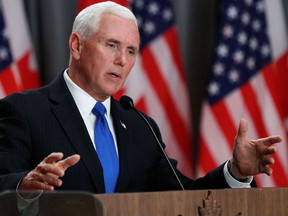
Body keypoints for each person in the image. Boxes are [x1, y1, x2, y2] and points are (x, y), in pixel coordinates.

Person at [0, 1, 282, 194]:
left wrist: (236, 172)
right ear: (77, 45)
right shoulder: (24, 111)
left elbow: (184, 196)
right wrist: (24, 184)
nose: (122, 60)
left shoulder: (138, 126)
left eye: (132, 51)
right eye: (112, 45)